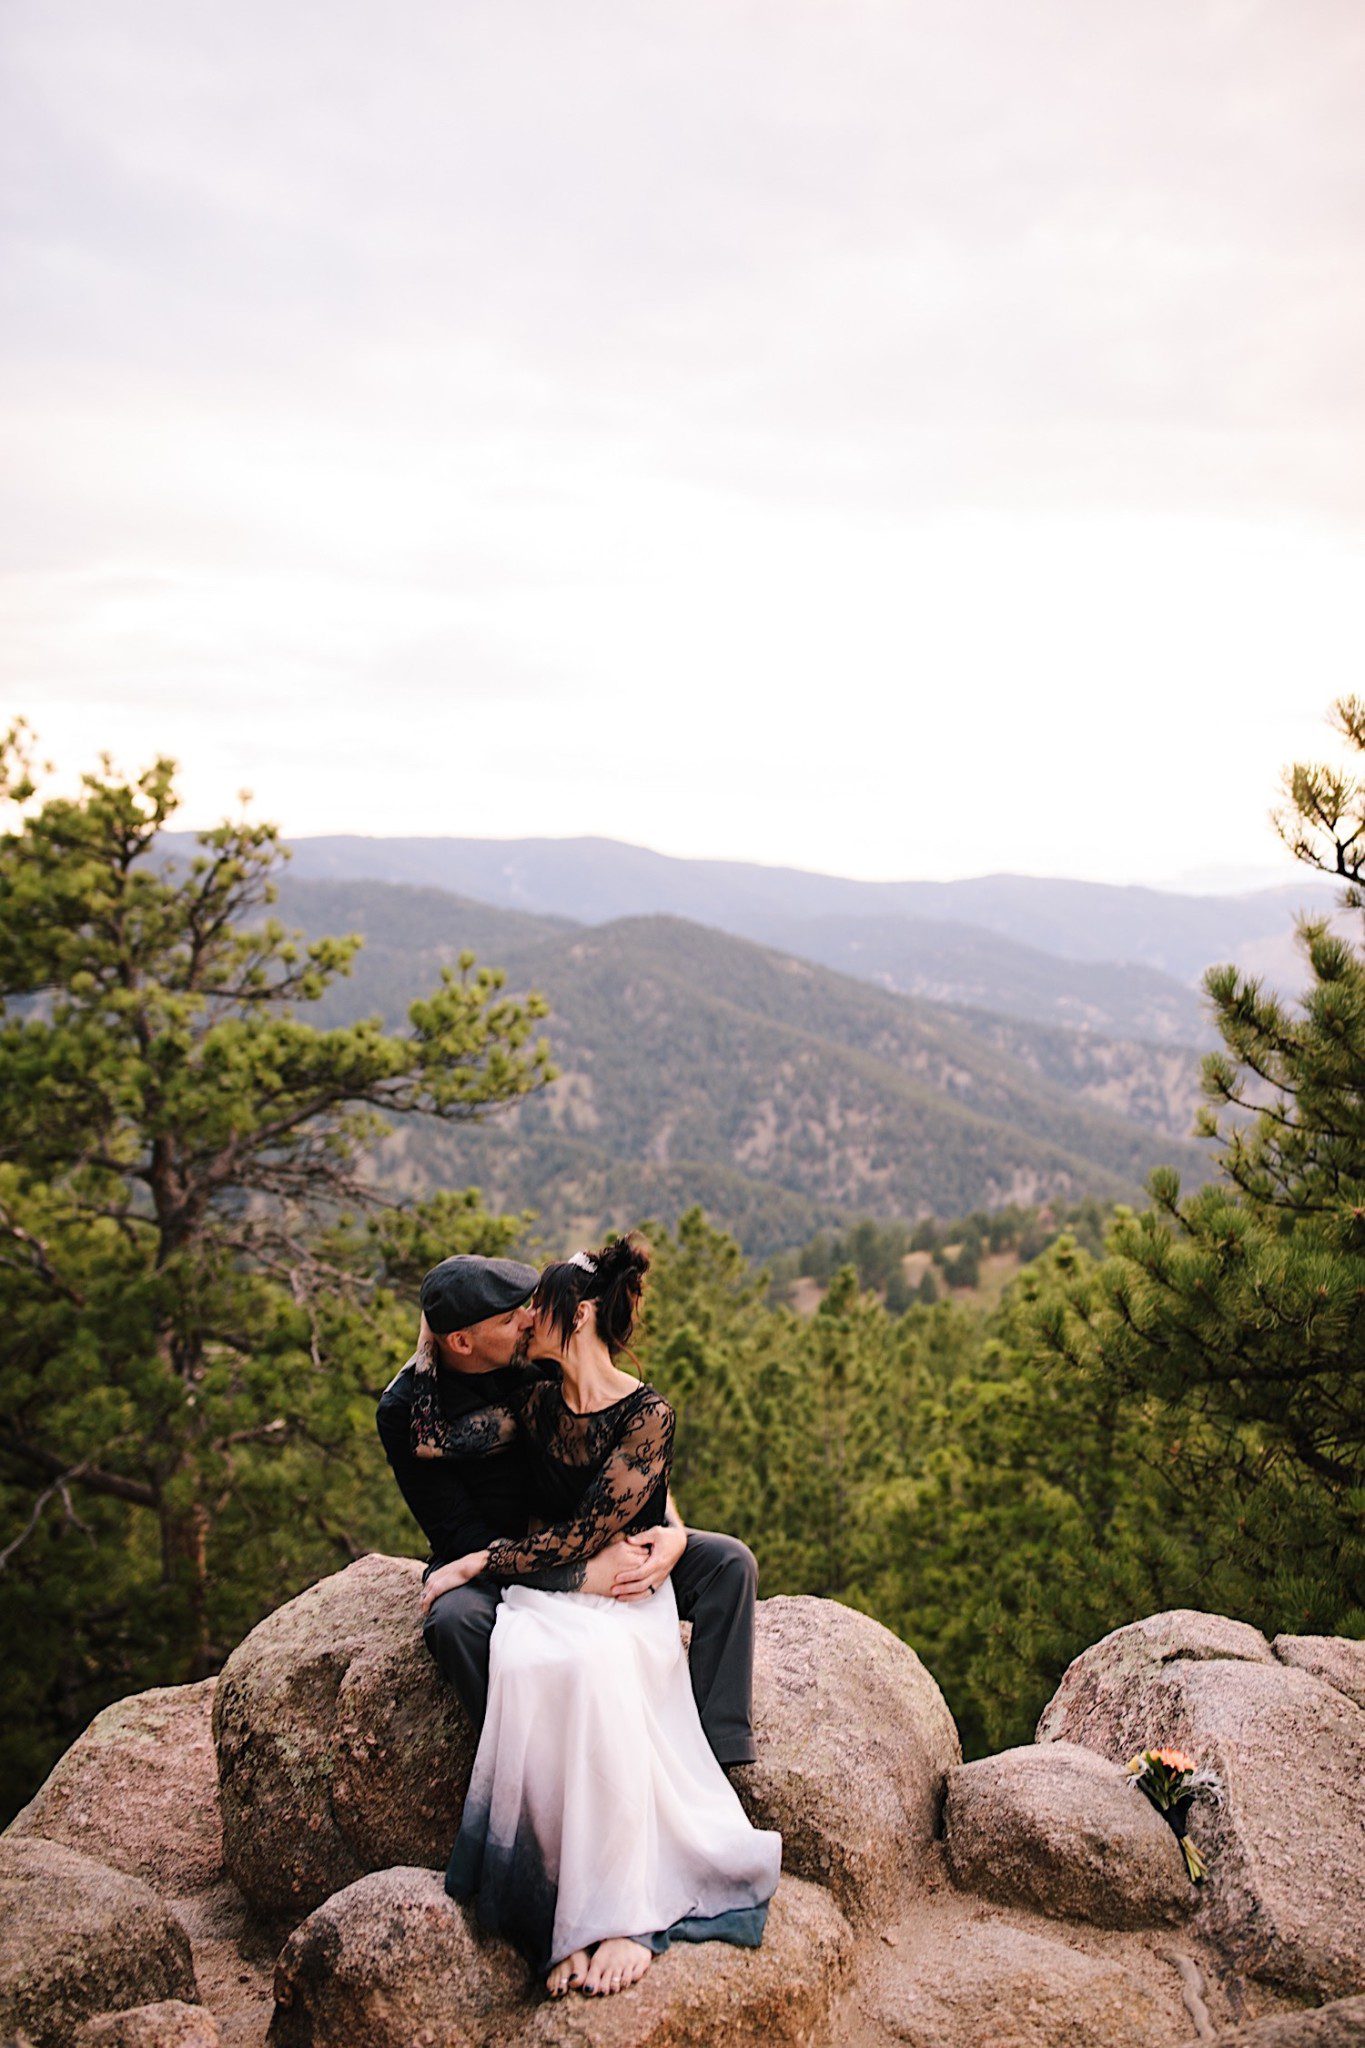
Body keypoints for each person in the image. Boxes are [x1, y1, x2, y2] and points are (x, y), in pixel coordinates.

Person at [410, 1238, 780, 2000]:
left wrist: (483, 1561)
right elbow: (431, 1437)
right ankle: (568, 1906)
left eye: (534, 1308)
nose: (521, 1322)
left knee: (623, 1650)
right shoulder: (537, 1394)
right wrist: (424, 1347)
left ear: (573, 1317)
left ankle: (630, 1899)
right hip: (560, 1582)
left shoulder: (645, 1413)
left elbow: (601, 1524)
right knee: (545, 1664)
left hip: (619, 1588)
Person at [375, 1254, 760, 1773]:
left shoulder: (533, 1357)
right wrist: (577, 1574)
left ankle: (720, 1754)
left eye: (529, 1308)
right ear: (461, 1341)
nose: (530, 1319)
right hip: (486, 1554)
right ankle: (532, 1771)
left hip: (583, 1530)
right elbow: (458, 1527)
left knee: (728, 1563)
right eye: (512, 1317)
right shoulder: (406, 1411)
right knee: (454, 1622)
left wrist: (673, 1530)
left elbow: (627, 1455)